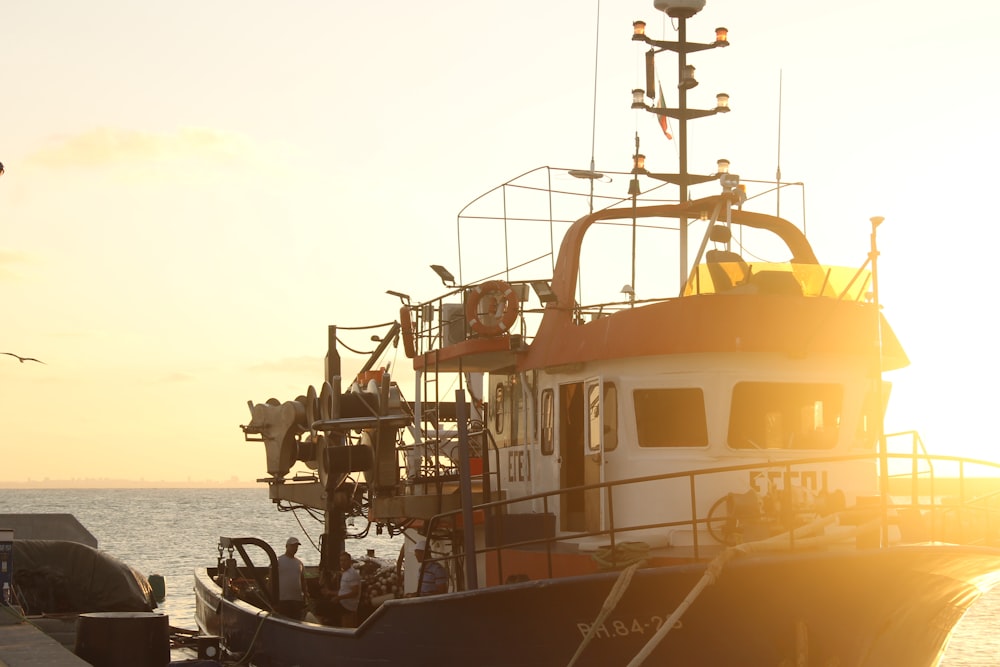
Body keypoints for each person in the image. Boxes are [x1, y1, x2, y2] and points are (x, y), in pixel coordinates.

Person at [276, 536, 306, 619]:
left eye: (296, 546)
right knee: (283, 619)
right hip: (283, 599)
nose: (295, 548)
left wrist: (305, 595)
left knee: (297, 620)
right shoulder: (278, 561)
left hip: (297, 600)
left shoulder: (299, 563)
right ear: (287, 546)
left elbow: (302, 580)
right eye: (292, 546)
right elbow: (272, 579)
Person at [330, 551, 361, 626]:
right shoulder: (345, 573)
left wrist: (338, 598)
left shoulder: (352, 574)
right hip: (342, 603)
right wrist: (329, 592)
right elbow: (343, 591)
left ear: (350, 561)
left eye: (345, 560)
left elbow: (355, 592)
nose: (342, 563)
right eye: (341, 560)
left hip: (348, 606)